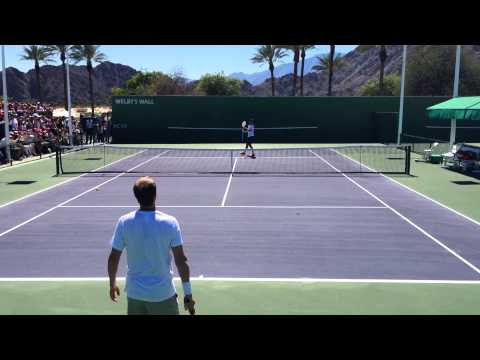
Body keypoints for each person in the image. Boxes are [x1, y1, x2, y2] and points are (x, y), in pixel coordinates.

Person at [107, 176, 196, 315]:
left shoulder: (124, 222)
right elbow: (181, 261)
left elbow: (113, 258)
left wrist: (112, 284)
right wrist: (188, 293)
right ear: (155, 195)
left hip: (135, 295)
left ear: (136, 197)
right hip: (163, 294)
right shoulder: (170, 223)